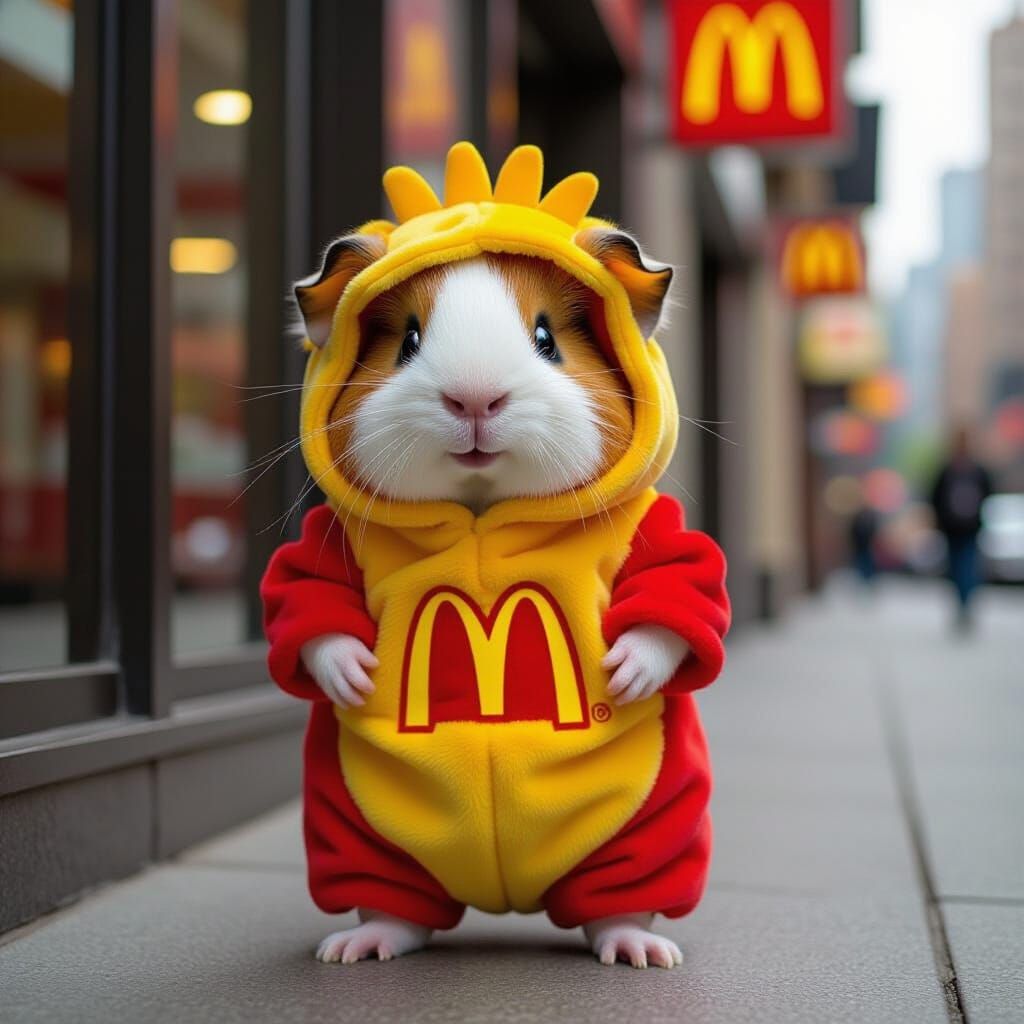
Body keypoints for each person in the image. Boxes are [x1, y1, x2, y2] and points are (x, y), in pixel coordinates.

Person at [929, 427, 994, 629]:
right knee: (965, 568)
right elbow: (988, 494)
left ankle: (963, 605)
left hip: (958, 529)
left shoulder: (948, 470)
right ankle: (964, 606)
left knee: (960, 568)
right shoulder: (976, 470)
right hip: (964, 528)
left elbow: (934, 497)